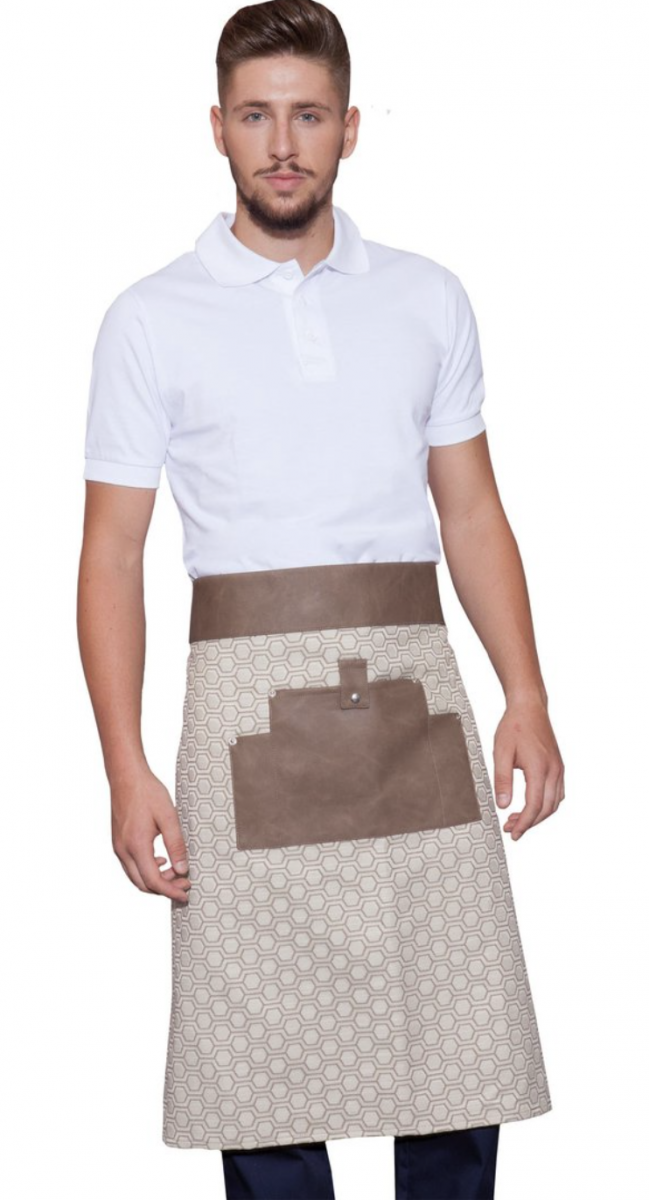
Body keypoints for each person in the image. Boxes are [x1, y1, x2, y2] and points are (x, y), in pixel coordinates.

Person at [77, 2, 563, 1197]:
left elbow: (471, 513)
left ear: (350, 127)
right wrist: (124, 767)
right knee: (261, 1074)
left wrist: (527, 694)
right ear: (217, 128)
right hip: (240, 711)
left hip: (415, 701)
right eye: (256, 116)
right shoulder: (149, 319)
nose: (281, 143)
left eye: (307, 116)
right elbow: (111, 553)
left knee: (455, 1055)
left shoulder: (426, 297)